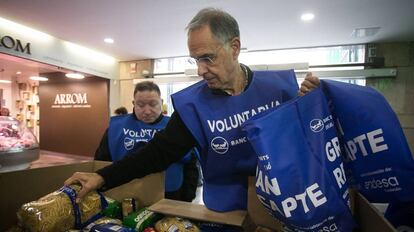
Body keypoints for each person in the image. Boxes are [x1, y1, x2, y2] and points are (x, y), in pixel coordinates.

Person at [65, 8, 320, 212]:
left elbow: (307, 144)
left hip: (285, 204)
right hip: (225, 210)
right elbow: (156, 153)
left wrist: (311, 106)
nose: (200, 70)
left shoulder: (280, 89)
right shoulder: (193, 106)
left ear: (234, 47)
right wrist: (102, 177)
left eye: (207, 58)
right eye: (195, 60)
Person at [94, 81, 199, 202]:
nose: (147, 111)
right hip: (127, 194)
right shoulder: (116, 128)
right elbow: (101, 161)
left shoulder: (176, 127)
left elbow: (191, 164)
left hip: (171, 194)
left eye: (153, 104)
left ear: (161, 103)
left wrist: (187, 195)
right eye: (141, 105)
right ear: (133, 104)